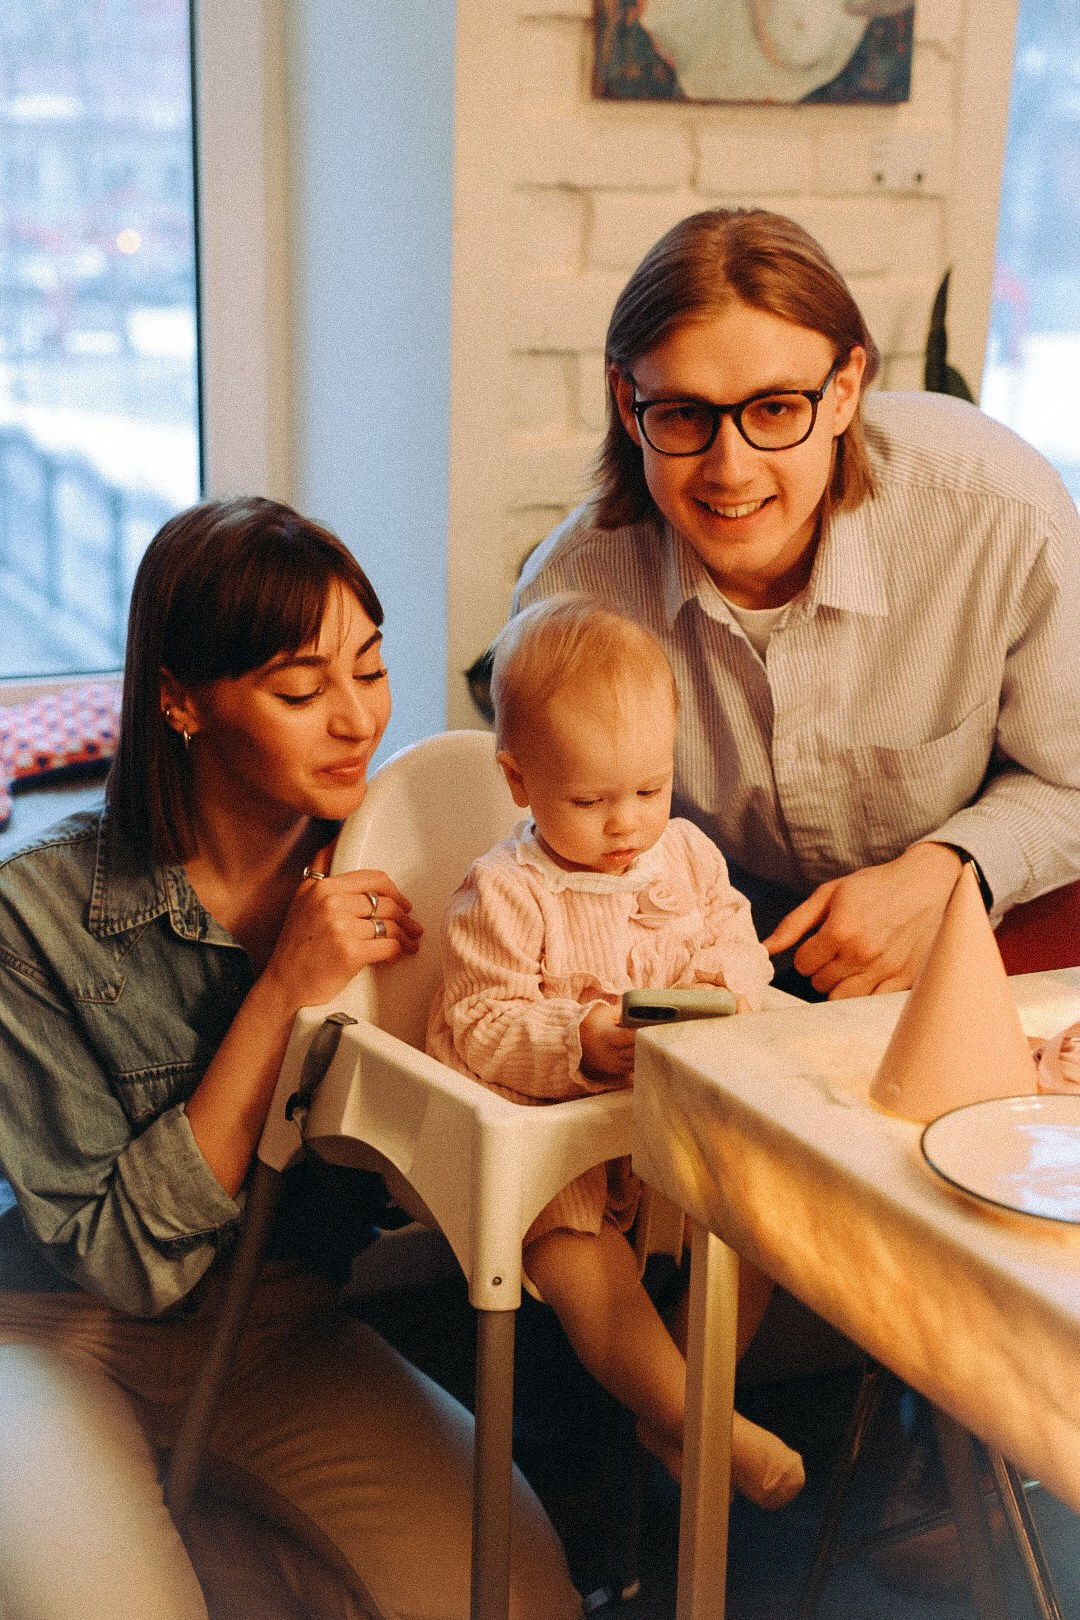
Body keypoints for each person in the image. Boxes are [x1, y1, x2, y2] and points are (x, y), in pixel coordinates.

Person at [0, 498, 582, 1620]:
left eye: (370, 669)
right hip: (50, 1333)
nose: (357, 720)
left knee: (519, 1595)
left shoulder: (411, 866)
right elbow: (124, 1264)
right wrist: (281, 993)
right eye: (301, 691)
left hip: (277, 1328)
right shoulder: (36, 915)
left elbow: (423, 1174)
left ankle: (216, 1546)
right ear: (180, 699)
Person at [514, 207, 1080, 1001]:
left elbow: (1073, 779)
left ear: (845, 390)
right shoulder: (570, 595)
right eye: (683, 415)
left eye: (775, 409)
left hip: (998, 925)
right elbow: (544, 838)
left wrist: (953, 870)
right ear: (625, 402)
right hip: (721, 961)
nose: (730, 471)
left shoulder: (1002, 513)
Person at [427, 597, 805, 1509]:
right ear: (519, 783)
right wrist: (581, 1042)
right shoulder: (508, 891)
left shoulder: (686, 856)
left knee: (755, 1229)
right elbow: (479, 1023)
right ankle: (702, 1425)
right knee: (575, 1259)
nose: (627, 822)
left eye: (650, 788)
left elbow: (737, 950)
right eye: (590, 801)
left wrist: (726, 993)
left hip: (669, 1116)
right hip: (554, 1131)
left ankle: (674, 1402)